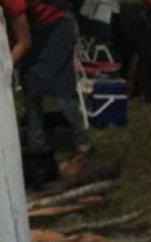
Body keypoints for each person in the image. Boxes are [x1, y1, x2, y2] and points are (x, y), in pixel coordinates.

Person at [21, 0, 92, 154]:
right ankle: (36, 140)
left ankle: (81, 138)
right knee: (31, 81)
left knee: (61, 86)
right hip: (37, 26)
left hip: (59, 24)